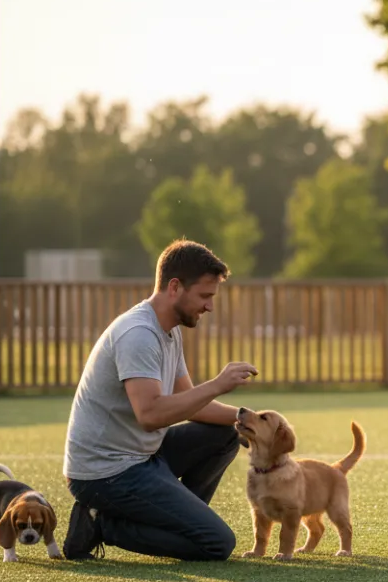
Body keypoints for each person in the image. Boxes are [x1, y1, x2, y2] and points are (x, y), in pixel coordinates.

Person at [61, 239, 259, 561]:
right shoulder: (138, 333)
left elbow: (190, 403)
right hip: (105, 473)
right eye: (205, 296)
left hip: (143, 457)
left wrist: (249, 419)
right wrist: (217, 384)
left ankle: (176, 521)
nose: (210, 306)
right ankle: (100, 524)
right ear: (175, 287)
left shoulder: (169, 329)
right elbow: (150, 415)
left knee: (227, 434)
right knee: (215, 543)